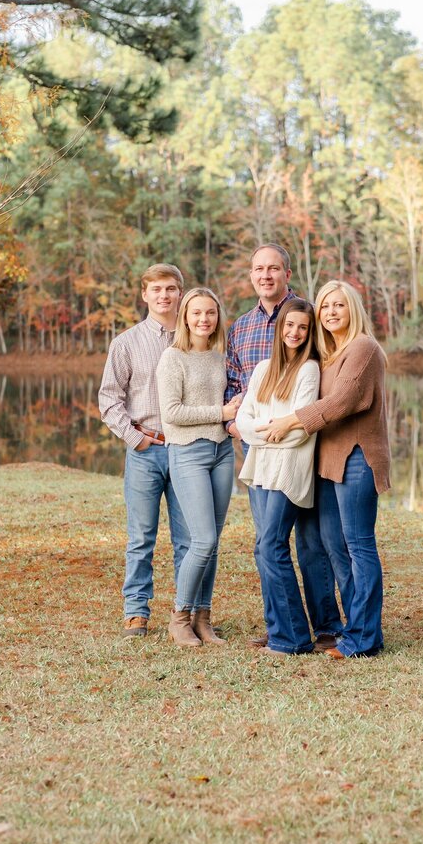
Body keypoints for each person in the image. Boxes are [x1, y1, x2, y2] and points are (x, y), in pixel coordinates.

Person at [260, 280, 390, 659]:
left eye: (340, 305)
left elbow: (343, 401)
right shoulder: (330, 354)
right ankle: (357, 629)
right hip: (330, 461)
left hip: (357, 459)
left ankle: (365, 639)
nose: (332, 312)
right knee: (336, 548)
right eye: (326, 306)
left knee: (358, 547)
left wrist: (291, 421)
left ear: (353, 310)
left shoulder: (363, 349)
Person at [226, 244, 342, 650]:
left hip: (301, 460)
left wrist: (274, 428)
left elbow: (302, 420)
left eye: (273, 268)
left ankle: (322, 628)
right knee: (267, 546)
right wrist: (257, 430)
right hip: (259, 460)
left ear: (286, 272)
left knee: (310, 546)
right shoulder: (240, 328)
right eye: (259, 268)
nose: (266, 275)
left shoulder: (310, 314)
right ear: (252, 274)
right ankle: (282, 628)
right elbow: (239, 398)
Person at [97, 263, 187, 638]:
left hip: (187, 450)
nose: (164, 296)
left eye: (170, 289)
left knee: (189, 538)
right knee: (141, 537)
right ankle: (136, 611)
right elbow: (108, 399)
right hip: (146, 449)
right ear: (144, 294)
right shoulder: (127, 342)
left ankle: (187, 611)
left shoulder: (195, 336)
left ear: (180, 292)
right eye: (157, 289)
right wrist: (136, 439)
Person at [156, 287, 242, 647]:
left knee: (214, 541)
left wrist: (236, 412)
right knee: (202, 539)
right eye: (196, 313)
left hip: (222, 453)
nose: (204, 319)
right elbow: (171, 414)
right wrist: (219, 414)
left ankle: (203, 619)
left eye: (210, 313)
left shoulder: (221, 356)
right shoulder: (172, 359)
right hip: (188, 453)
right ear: (185, 317)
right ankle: (179, 618)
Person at [235, 299, 322, 655]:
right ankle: (280, 630)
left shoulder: (309, 371)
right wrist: (267, 433)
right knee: (263, 547)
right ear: (279, 328)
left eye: (302, 327)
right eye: (289, 326)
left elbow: (301, 430)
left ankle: (293, 638)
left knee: (271, 545)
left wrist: (268, 432)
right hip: (262, 468)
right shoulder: (263, 369)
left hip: (290, 469)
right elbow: (243, 419)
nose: (295, 333)